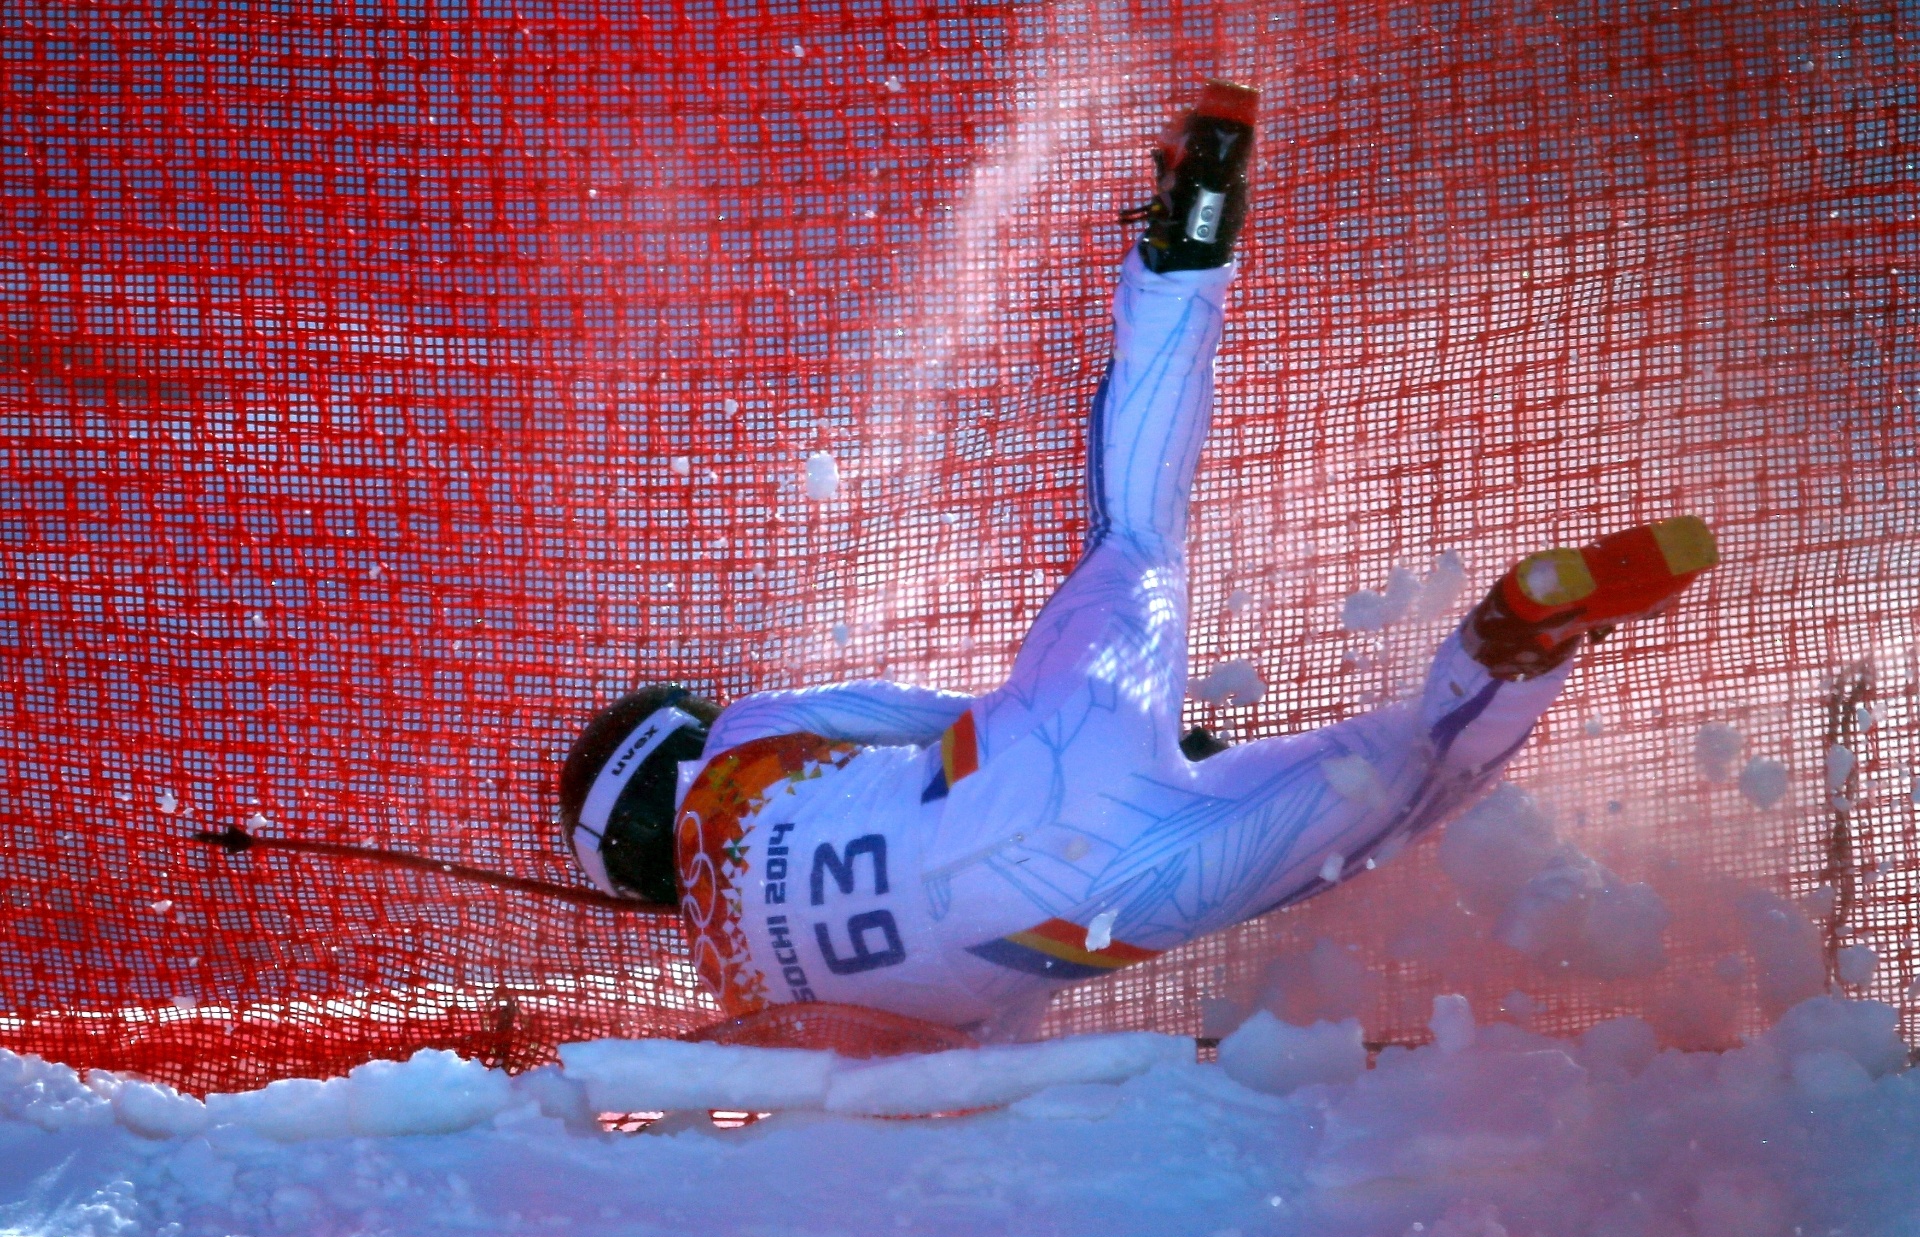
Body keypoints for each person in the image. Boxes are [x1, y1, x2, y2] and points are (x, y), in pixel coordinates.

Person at [558, 81, 1719, 1039]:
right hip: (1042, 746)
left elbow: (901, 1073)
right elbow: (932, 715)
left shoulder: (741, 986)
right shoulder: (747, 735)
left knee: (1405, 779)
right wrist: (1134, 723)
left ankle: (1518, 640)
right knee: (1135, 530)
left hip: (1093, 896)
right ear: (673, 734)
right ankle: (1186, 249)